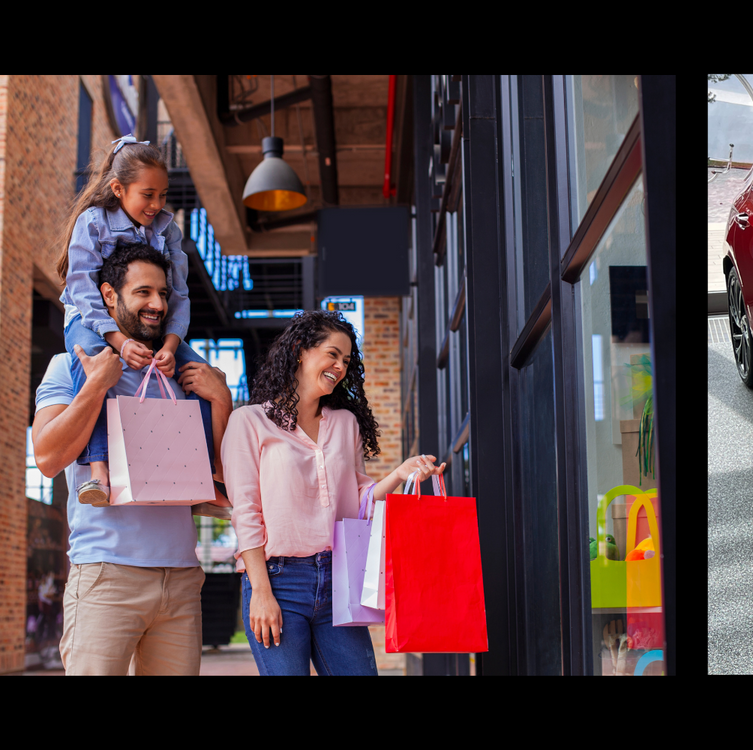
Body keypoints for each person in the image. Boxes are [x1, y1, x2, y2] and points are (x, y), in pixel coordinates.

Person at [32, 243, 234, 676]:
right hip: (106, 577)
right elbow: (47, 457)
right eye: (143, 292)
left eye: (163, 294)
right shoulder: (69, 366)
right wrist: (96, 386)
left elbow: (220, 478)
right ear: (108, 295)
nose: (157, 304)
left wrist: (222, 402)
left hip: (180, 579)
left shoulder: (180, 374)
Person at [222, 310, 446, 676]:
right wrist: (260, 590)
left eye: (346, 360)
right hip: (278, 580)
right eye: (332, 354)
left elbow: (357, 500)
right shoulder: (249, 422)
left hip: (338, 580)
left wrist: (399, 474)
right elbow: (245, 511)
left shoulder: (345, 424)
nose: (340, 366)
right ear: (299, 350)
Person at [57, 135, 215, 508]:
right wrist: (118, 341)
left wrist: (172, 347)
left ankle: (206, 474)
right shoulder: (93, 222)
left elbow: (177, 294)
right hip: (90, 317)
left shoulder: (167, 228)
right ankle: (99, 470)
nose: (157, 204)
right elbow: (83, 287)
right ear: (118, 188)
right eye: (148, 194)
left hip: (150, 328)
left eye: (162, 194)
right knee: (94, 367)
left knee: (206, 376)